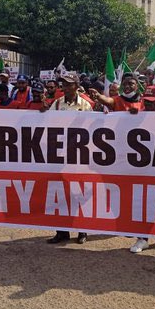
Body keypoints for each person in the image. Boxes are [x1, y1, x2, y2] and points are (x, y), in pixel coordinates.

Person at [46, 72, 91, 244]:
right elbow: (48, 124)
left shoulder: (86, 105)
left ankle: (83, 230)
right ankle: (62, 231)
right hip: (61, 156)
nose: (65, 87)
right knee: (61, 194)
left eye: (69, 84)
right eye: (63, 84)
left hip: (79, 157)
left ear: (76, 86)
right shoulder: (56, 104)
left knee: (79, 194)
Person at [129, 86, 155, 254]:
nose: (149, 105)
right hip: (143, 167)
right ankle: (142, 238)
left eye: (152, 102)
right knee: (143, 202)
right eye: (146, 102)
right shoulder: (139, 113)